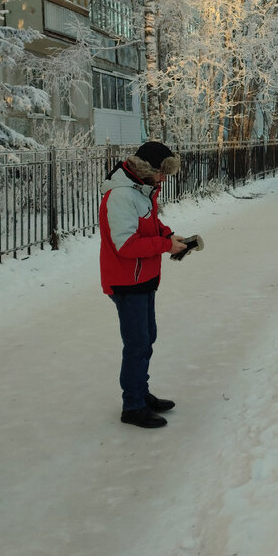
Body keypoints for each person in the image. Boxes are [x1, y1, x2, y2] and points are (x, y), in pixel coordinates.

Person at [99, 141, 188, 428]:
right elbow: (125, 244)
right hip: (127, 281)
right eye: (162, 173)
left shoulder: (141, 190)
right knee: (137, 344)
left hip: (143, 278)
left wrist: (170, 237)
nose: (164, 179)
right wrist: (163, 245)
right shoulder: (121, 195)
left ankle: (141, 392)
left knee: (147, 338)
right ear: (148, 169)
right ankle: (133, 406)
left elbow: (149, 225)